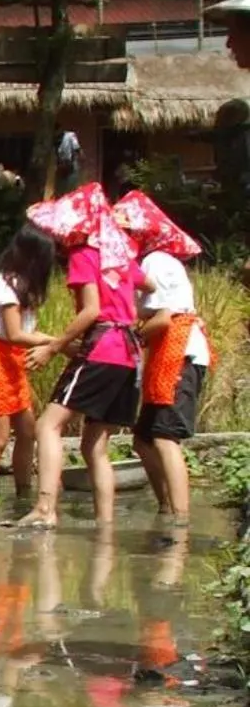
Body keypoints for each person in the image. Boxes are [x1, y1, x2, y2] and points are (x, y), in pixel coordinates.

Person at [14, 183, 143, 529]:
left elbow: (90, 311)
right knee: (94, 445)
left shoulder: (84, 255)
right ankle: (105, 524)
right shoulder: (119, 253)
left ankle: (44, 510)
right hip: (129, 355)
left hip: (103, 348)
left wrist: (53, 347)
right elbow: (149, 286)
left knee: (47, 425)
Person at [115, 190, 209, 523]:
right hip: (168, 355)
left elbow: (164, 318)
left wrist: (134, 336)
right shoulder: (154, 261)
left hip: (179, 353)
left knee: (165, 437)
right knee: (143, 440)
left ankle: (180, 520)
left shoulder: (156, 261)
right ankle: (165, 507)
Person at [0, 224, 57, 509]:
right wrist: (56, 342)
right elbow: (16, 334)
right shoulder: (7, 285)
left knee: (27, 430)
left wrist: (51, 344)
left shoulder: (24, 286)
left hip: (10, 364)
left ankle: (23, 494)